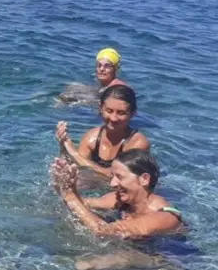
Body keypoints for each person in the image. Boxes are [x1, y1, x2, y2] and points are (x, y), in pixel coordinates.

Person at [50, 150, 183, 240]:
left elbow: (102, 231)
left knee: (88, 265)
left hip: (165, 258)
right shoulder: (121, 199)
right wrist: (64, 187)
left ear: (144, 179)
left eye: (119, 177)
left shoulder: (165, 216)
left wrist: (70, 195)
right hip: (134, 249)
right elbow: (82, 204)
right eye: (113, 176)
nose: (113, 184)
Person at [56, 84, 150, 179]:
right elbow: (79, 166)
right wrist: (64, 146)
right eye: (109, 111)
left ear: (133, 113)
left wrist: (73, 152)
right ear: (101, 108)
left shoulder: (138, 143)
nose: (113, 118)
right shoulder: (91, 138)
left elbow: (115, 175)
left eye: (121, 113)